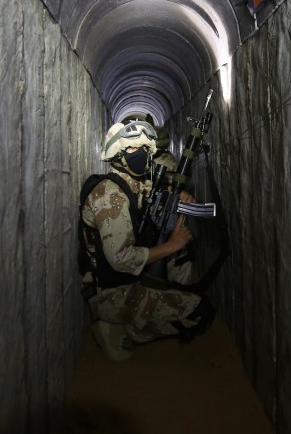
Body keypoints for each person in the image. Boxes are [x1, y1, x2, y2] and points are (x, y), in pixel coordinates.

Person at [79, 119, 215, 361]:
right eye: (132, 149)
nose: (140, 154)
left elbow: (151, 197)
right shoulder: (110, 196)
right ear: (118, 155)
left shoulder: (131, 184)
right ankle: (125, 329)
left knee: (182, 262)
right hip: (110, 292)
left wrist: (176, 196)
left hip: (127, 278)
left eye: (144, 148)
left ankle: (140, 317)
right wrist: (172, 244)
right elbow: (122, 260)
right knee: (199, 312)